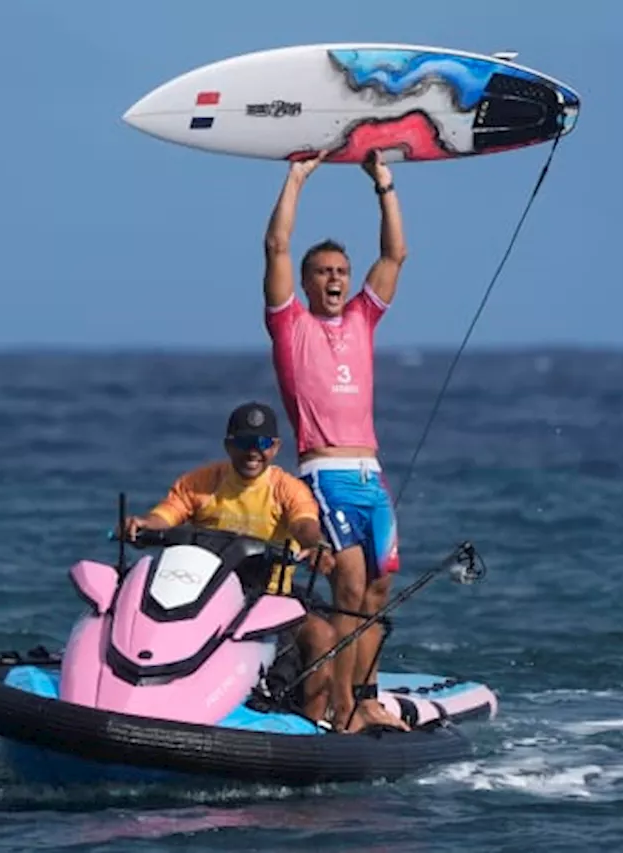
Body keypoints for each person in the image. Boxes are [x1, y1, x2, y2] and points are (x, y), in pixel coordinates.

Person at [260, 148, 411, 733]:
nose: (335, 280)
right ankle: (342, 708)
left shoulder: (361, 320)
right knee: (345, 581)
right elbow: (275, 246)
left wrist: (383, 183)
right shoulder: (288, 324)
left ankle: (366, 696)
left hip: (372, 475)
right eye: (323, 272)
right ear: (305, 280)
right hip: (325, 474)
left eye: (341, 273)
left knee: (377, 587)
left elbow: (395, 254)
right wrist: (297, 177)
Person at [121, 401, 339, 725]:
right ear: (228, 444)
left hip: (270, 601)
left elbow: (304, 525)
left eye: (263, 444)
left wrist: (316, 546)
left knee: (321, 635)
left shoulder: (288, 490)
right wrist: (143, 524)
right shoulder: (200, 483)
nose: (253, 453)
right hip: (204, 597)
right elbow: (164, 517)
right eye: (244, 443)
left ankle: (312, 727)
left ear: (275, 448)